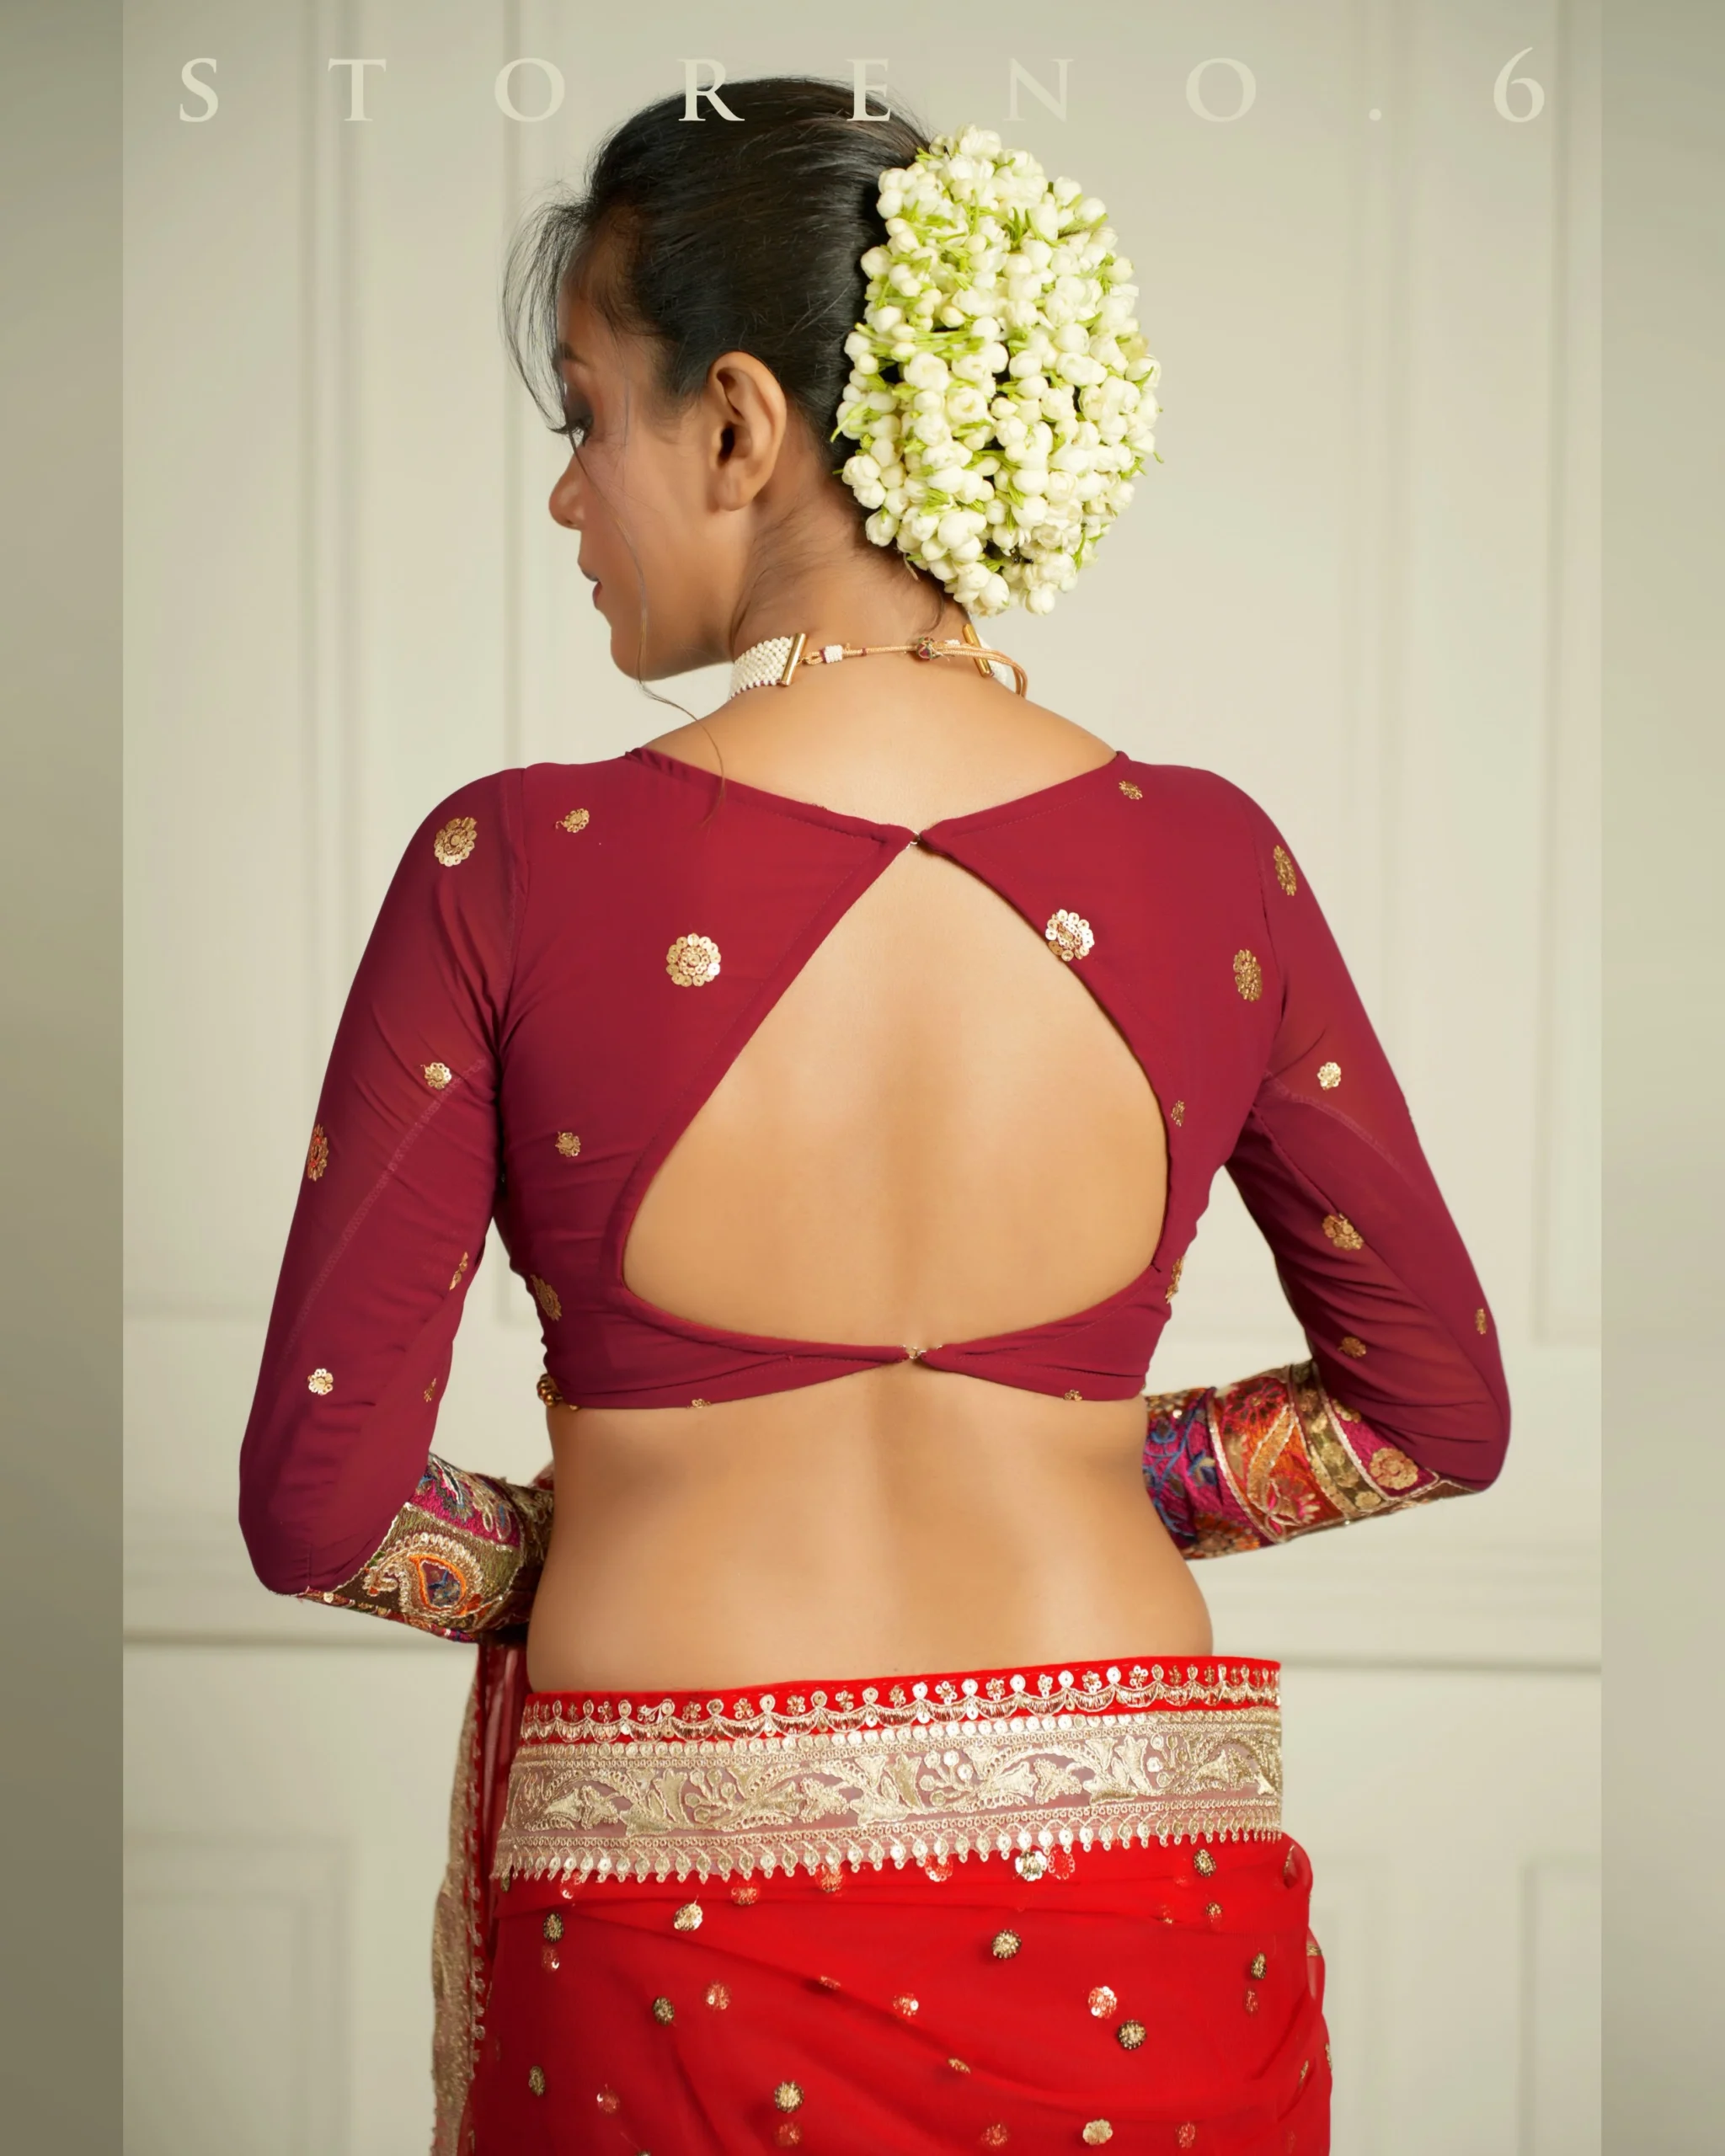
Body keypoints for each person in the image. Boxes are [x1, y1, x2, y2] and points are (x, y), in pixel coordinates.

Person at [237, 80, 1509, 2156]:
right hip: (1144, 1908)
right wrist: (1076, 1458)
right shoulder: (1215, 863)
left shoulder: (511, 867)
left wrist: (624, 1523)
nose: (565, 496)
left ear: (740, 427)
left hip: (671, 1931)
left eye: (588, 416)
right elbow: (1430, 1410)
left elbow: (321, 1502)